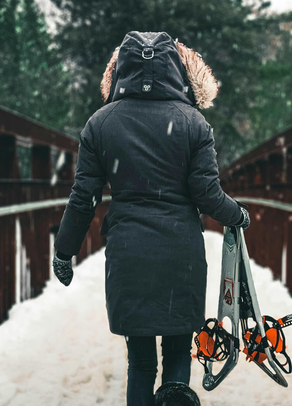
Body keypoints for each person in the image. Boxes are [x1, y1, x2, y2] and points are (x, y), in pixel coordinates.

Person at [52, 31, 250, 406]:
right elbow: (206, 194)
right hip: (182, 255)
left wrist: (65, 251)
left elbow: (84, 198)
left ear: (120, 69)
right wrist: (236, 214)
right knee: (177, 352)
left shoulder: (100, 124)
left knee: (140, 362)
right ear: (176, 70)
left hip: (129, 256)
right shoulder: (193, 123)